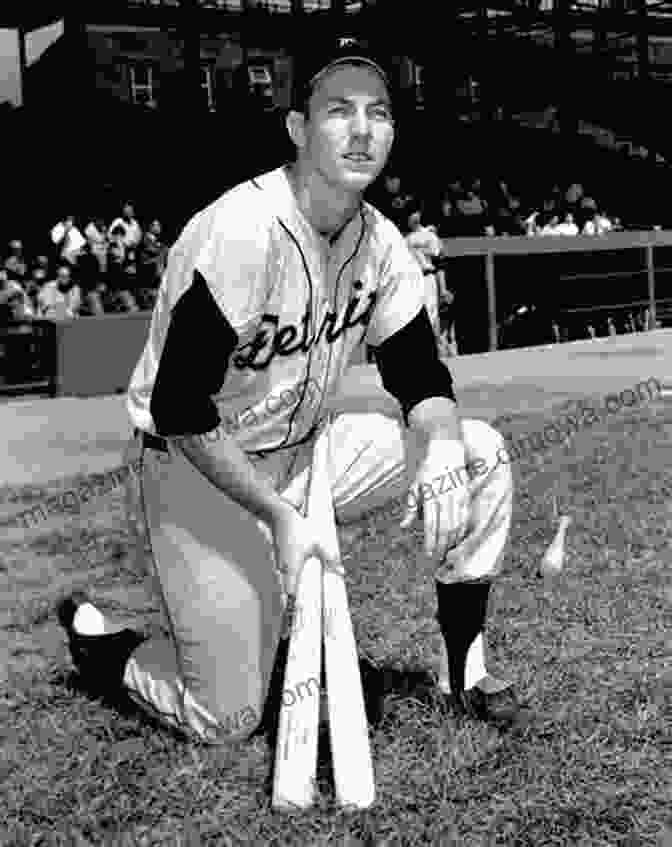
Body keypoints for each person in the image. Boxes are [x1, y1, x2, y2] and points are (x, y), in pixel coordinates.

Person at [56, 35, 521, 747]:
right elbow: (181, 407)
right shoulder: (243, 231)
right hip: (195, 469)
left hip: (308, 453)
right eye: (339, 110)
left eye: (379, 112)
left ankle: (464, 668)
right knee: (226, 718)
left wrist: (437, 440)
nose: (363, 129)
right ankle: (105, 647)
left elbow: (422, 377)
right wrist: (275, 514)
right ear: (298, 128)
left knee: (478, 453)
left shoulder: (382, 243)